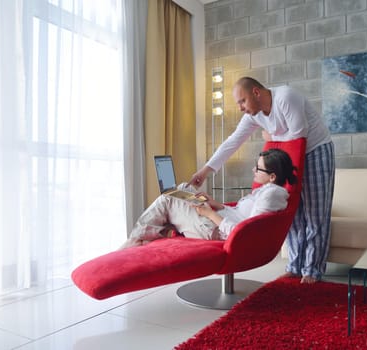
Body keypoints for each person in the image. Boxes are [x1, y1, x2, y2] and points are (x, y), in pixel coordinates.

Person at [189, 77, 335, 284]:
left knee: (314, 213)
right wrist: (205, 171)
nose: (240, 108)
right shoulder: (254, 115)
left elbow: (298, 136)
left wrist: (271, 137)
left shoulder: (286, 97)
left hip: (315, 150)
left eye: (242, 101)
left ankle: (312, 270)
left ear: (256, 92)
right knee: (290, 210)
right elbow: (233, 141)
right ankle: (295, 266)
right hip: (287, 155)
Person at [120, 149, 297, 249]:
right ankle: (155, 233)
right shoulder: (267, 191)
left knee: (168, 198)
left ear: (272, 176)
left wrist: (210, 214)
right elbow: (243, 216)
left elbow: (245, 233)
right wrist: (216, 205)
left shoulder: (271, 195)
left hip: (214, 230)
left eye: (258, 169)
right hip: (216, 220)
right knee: (183, 188)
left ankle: (135, 241)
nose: (253, 171)